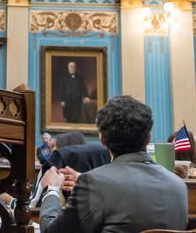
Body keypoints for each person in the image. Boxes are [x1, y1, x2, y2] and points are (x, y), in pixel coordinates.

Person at [40, 95, 188, 233]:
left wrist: (52, 189)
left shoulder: (95, 184)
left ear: (102, 139)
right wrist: (88, 180)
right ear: (148, 138)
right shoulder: (178, 185)